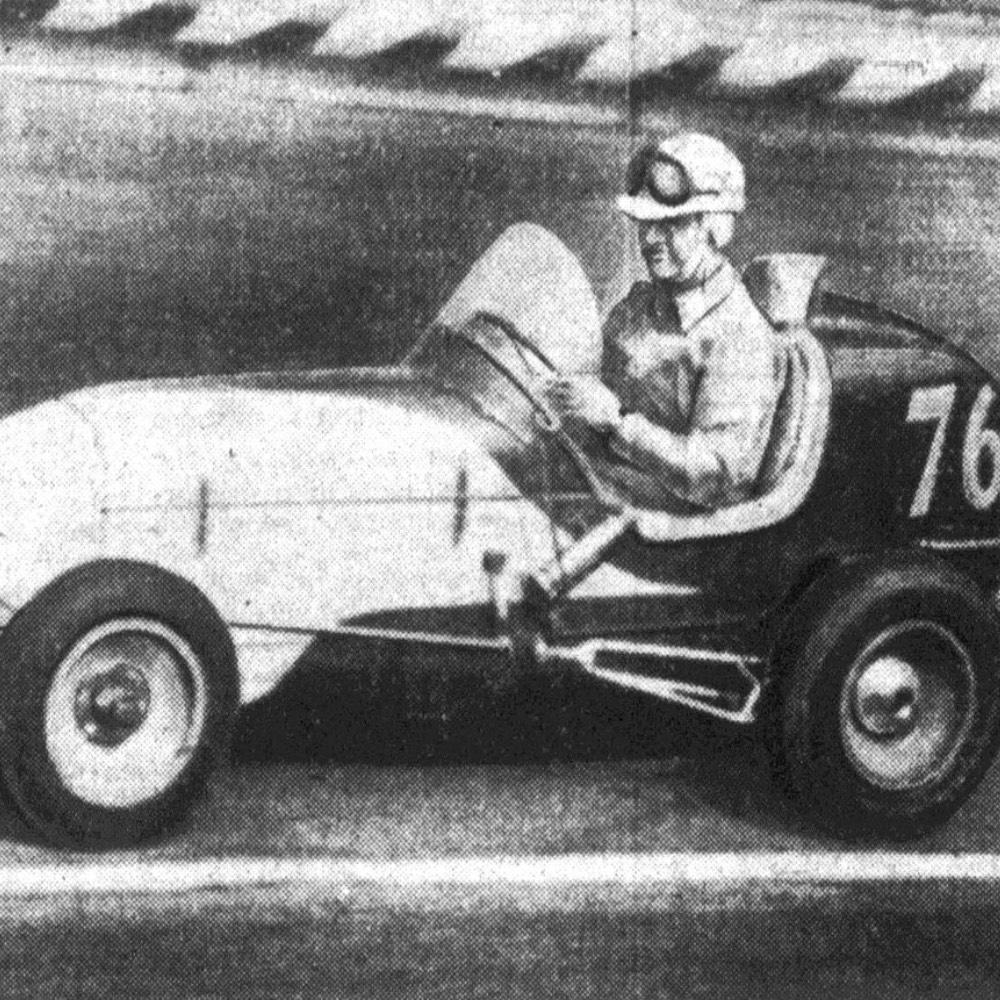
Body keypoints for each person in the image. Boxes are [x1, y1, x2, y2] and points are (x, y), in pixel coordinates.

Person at [543, 132, 786, 512]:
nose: (650, 238)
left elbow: (717, 476)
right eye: (645, 222)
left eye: (671, 223)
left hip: (660, 531)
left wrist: (617, 421)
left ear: (713, 226)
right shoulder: (635, 309)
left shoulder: (740, 335)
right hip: (593, 497)